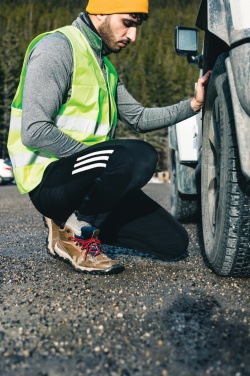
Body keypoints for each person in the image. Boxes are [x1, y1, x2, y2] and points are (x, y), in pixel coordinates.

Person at [8, 0, 211, 275]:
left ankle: (67, 224)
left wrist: (193, 105)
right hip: (51, 182)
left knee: (173, 243)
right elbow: (34, 131)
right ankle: (78, 231)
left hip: (92, 177)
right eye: (127, 23)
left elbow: (139, 118)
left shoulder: (106, 69)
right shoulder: (57, 48)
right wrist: (102, 163)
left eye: (136, 27)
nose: (133, 36)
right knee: (141, 155)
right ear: (100, 11)